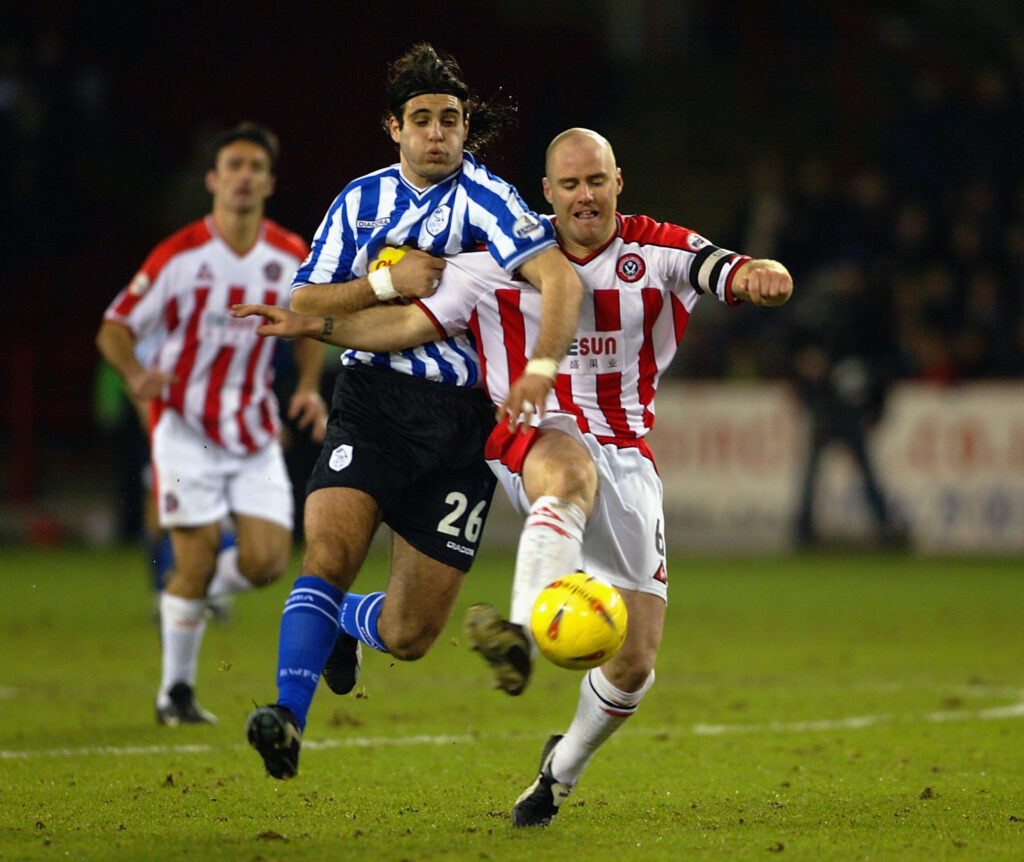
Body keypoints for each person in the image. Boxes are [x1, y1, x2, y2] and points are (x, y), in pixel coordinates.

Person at [235, 128, 792, 825]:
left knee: (634, 663)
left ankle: (560, 771)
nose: (585, 196)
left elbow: (727, 269)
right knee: (568, 470)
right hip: (533, 435)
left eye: (596, 181)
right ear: (547, 194)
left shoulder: (657, 250)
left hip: (628, 456)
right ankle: (521, 633)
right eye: (570, 185)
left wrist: (763, 274)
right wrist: (313, 327)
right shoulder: (496, 262)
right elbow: (404, 328)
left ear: (618, 182)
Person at [243, 44, 583, 780]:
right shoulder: (359, 202)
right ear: (394, 127)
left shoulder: (490, 201)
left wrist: (541, 367)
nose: (437, 133)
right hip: (372, 400)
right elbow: (306, 296)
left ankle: (344, 622)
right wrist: (383, 282)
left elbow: (557, 277)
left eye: (450, 120)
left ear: (465, 128)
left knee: (409, 635)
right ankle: (287, 717)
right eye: (422, 119)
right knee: (328, 552)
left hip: (463, 423)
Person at [96, 121, 327, 726]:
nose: (244, 177)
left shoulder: (291, 256)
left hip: (253, 428)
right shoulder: (179, 255)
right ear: (213, 180)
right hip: (185, 427)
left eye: (256, 167)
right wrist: (133, 374)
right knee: (196, 556)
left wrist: (307, 386)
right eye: (234, 167)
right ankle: (174, 694)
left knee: (268, 562)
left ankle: (185, 595)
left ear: (269, 182)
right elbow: (114, 328)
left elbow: (309, 327)